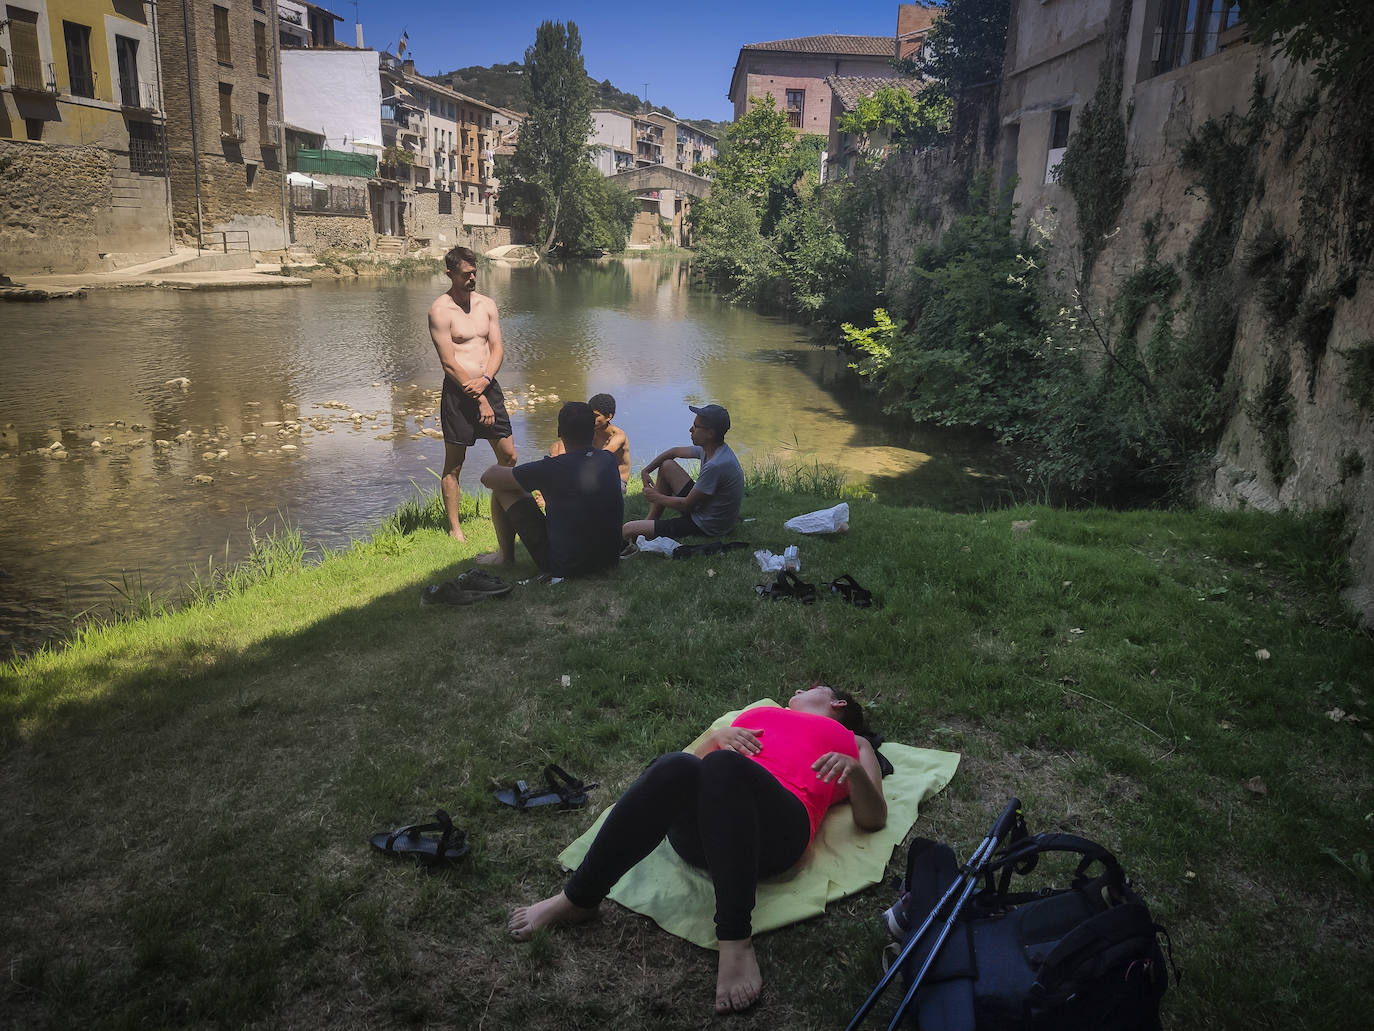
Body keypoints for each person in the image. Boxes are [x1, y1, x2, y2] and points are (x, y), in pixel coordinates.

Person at [508, 683, 887, 1014]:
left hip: (777, 831)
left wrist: (853, 771)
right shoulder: (764, 713)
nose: (801, 691)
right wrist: (716, 738)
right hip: (704, 831)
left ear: (837, 703)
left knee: (725, 766)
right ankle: (579, 899)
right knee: (676, 765)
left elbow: (873, 819)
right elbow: (692, 776)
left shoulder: (854, 743)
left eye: (812, 688)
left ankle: (735, 938)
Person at [428, 245, 516, 541]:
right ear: (450, 273)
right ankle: (455, 529)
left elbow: (497, 347)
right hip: (459, 393)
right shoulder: (440, 310)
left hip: (488, 386)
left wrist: (487, 380)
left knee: (509, 456)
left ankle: (502, 506)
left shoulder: (487, 305)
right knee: (454, 463)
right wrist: (478, 397)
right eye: (466, 274)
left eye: (475, 272)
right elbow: (448, 363)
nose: (472, 278)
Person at [477, 401, 624, 576]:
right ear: (593, 431)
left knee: (503, 487)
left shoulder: (551, 468)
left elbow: (488, 478)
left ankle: (504, 557)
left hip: (566, 565)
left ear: (559, 432)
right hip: (609, 559)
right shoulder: (608, 459)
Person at [623, 403, 743, 545]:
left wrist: (656, 497)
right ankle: (650, 521)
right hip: (703, 508)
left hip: (706, 525)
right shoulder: (712, 449)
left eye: (696, 427)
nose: (690, 430)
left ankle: (640, 532)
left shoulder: (716, 465)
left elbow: (686, 505)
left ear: (710, 433)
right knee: (667, 465)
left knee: (628, 529)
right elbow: (674, 452)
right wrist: (646, 470)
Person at [550, 392, 631, 491]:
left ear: (609, 417)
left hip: (616, 481)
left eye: (596, 416)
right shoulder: (591, 431)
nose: (592, 419)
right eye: (590, 415)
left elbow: (602, 457)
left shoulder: (618, 436)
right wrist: (557, 458)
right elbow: (564, 442)